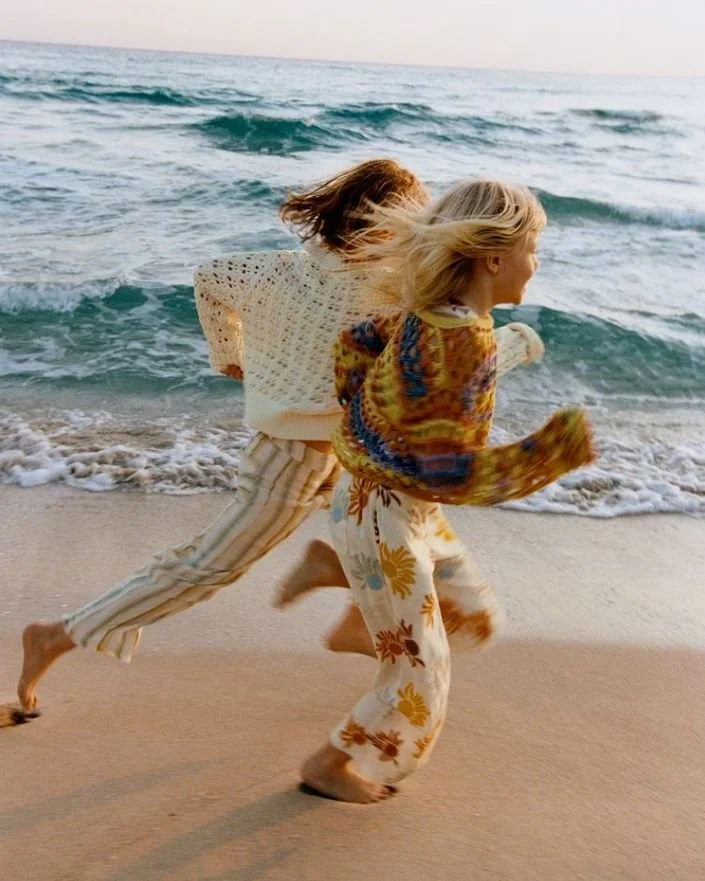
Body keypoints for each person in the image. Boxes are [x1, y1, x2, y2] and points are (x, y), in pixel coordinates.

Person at [14, 160, 542, 716]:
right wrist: (510, 345)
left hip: (355, 465)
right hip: (293, 465)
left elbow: (209, 279)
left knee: (428, 559)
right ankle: (57, 634)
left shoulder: (280, 271)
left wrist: (231, 357)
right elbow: (444, 365)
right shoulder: (390, 288)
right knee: (200, 569)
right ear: (382, 225)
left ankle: (347, 596)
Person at [299, 178, 595, 804]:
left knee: (477, 618)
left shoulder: (433, 314)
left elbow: (356, 343)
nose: (536, 265)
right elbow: (448, 473)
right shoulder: (464, 339)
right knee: (420, 670)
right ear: (494, 257)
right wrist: (554, 451)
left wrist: (369, 418)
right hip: (385, 516)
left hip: (392, 507)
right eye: (533, 250)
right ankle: (329, 765)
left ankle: (351, 587)